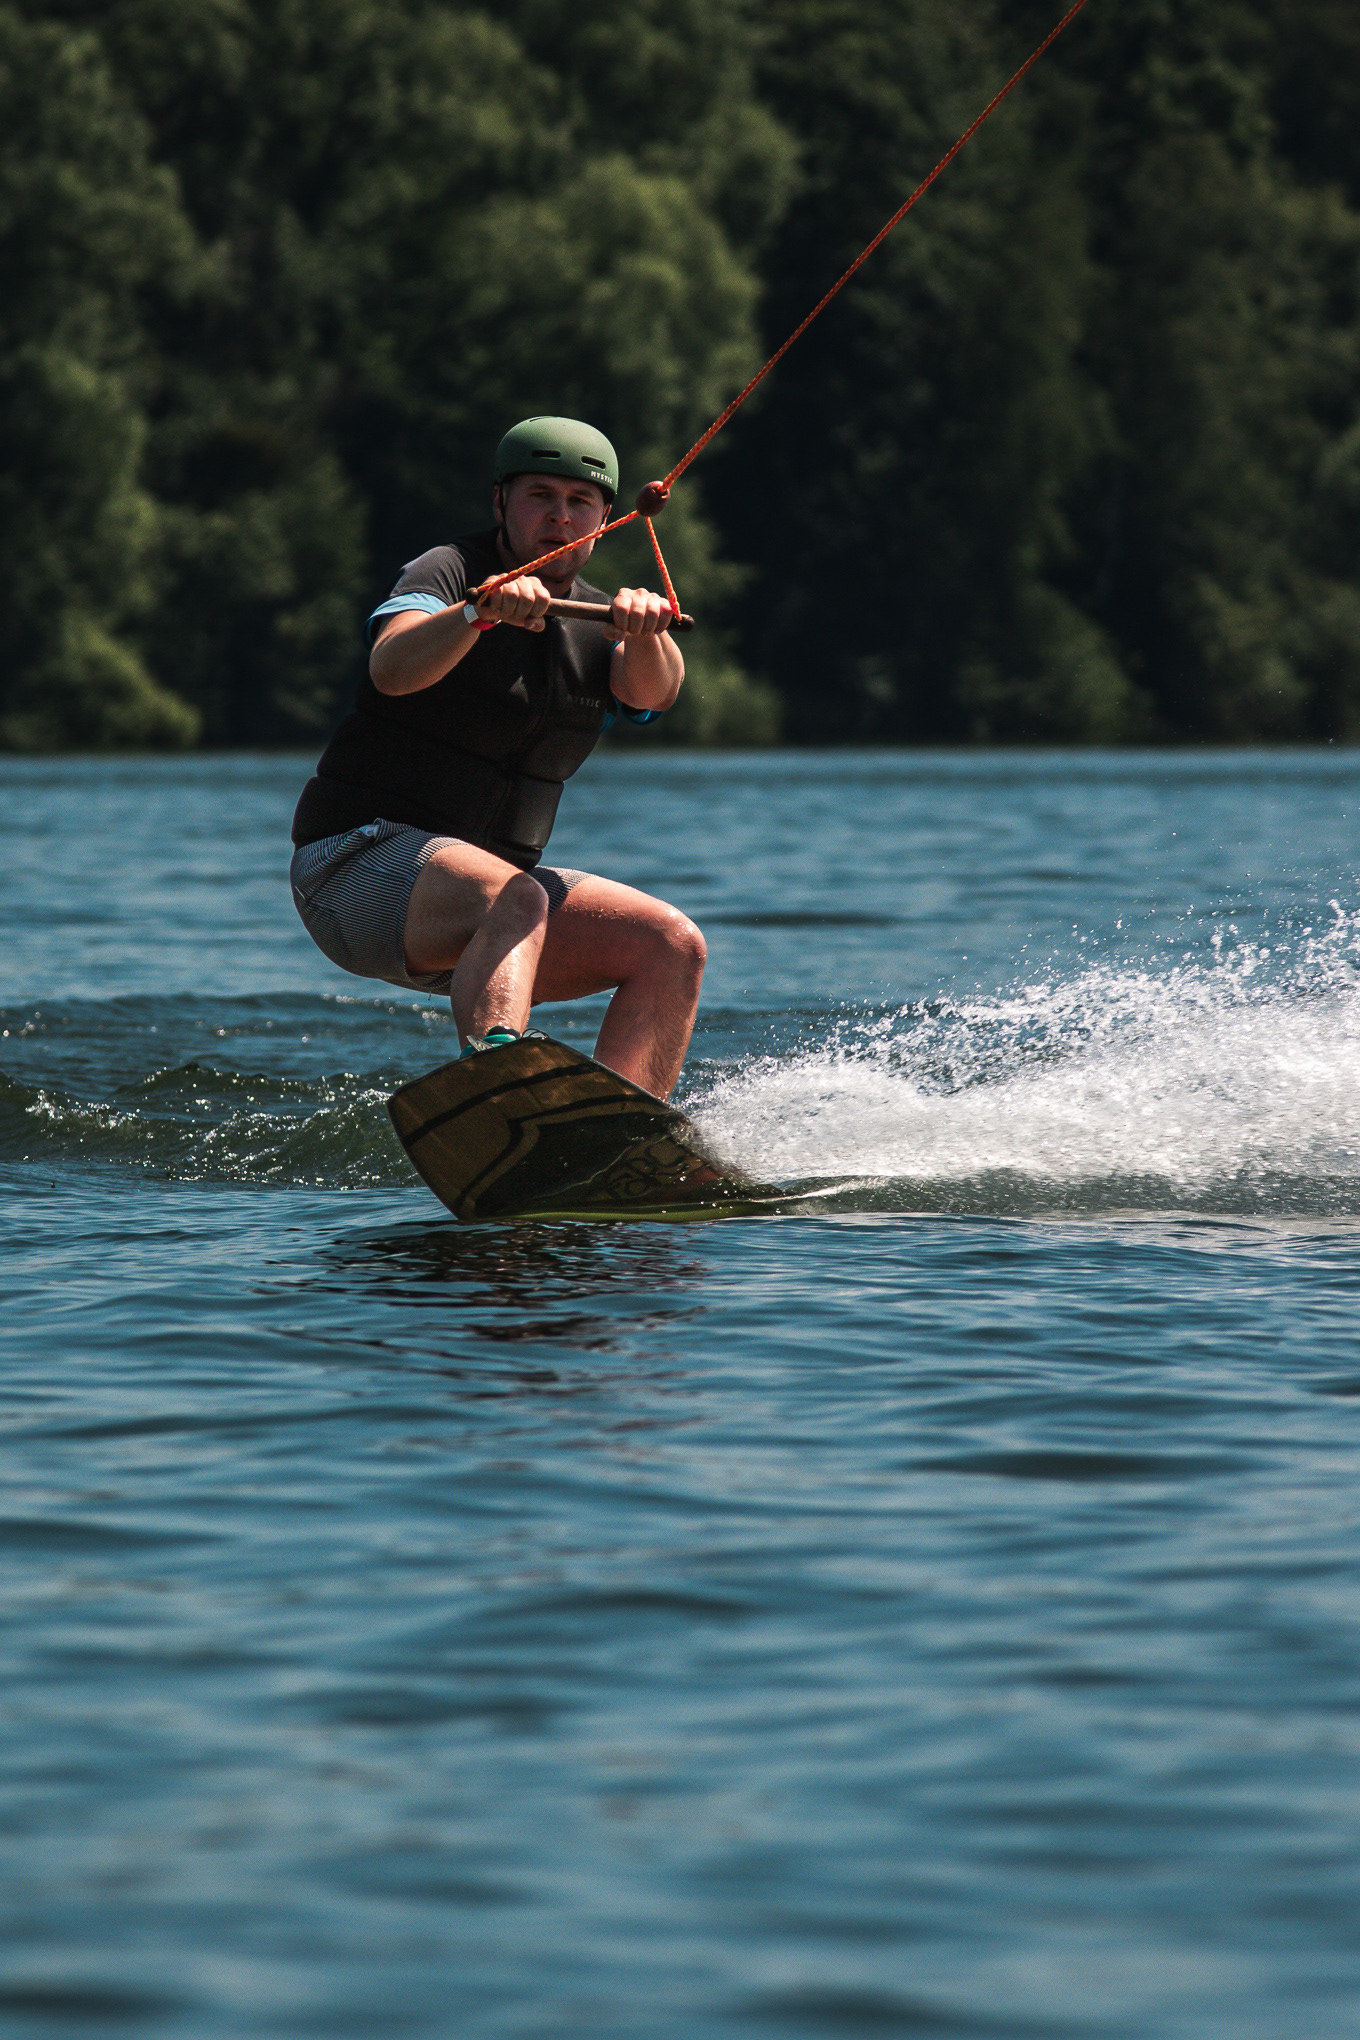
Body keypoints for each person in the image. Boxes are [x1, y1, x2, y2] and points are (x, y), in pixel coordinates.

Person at [289, 416, 705, 1099]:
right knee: (514, 896)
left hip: (488, 908)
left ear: (605, 521)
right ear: (500, 503)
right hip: (354, 866)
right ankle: (498, 1086)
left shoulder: (598, 618)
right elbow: (391, 667)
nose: (560, 516)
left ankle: (624, 1126)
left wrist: (647, 633)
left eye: (580, 502)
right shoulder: (448, 569)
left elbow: (653, 693)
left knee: (671, 944)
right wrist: (476, 615)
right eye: (540, 496)